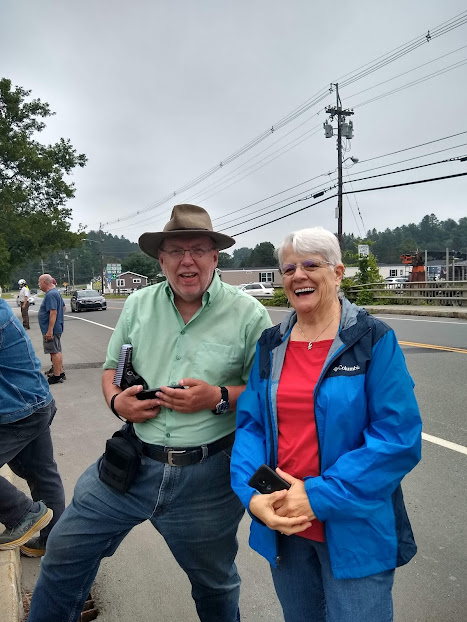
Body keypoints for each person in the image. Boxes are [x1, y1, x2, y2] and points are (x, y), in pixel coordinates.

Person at [28, 204, 272, 622]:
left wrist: (216, 396)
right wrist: (117, 401)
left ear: (216, 257)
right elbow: (111, 371)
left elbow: (267, 392)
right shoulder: (138, 305)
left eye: (198, 249)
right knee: (64, 554)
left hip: (209, 477)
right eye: (175, 251)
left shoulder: (250, 314)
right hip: (130, 465)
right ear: (161, 260)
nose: (187, 260)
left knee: (215, 586)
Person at [230, 226, 422, 622]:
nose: (297, 275)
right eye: (288, 269)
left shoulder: (371, 340)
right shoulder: (271, 344)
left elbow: (397, 438)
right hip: (284, 520)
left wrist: (317, 496)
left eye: (311, 265)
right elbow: (251, 426)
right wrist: (253, 496)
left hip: (354, 526)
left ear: (337, 273)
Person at [0, 298, 65, 558]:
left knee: (43, 475)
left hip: (17, 411)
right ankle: (56, 547)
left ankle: (22, 513)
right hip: (35, 402)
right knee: (42, 474)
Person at [38, 274, 66, 384]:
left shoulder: (50, 295)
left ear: (45, 282)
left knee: (54, 352)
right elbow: (63, 307)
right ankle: (60, 371)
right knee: (57, 350)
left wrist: (50, 330)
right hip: (57, 327)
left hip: (52, 330)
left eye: (39, 282)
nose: (39, 285)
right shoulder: (55, 293)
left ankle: (57, 375)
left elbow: (53, 312)